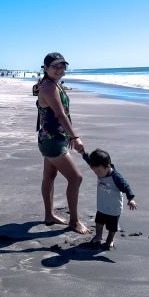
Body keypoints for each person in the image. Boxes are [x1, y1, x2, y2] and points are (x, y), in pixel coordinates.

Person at [36, 52, 89, 234]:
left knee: (49, 177)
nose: (60, 70)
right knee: (76, 178)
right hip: (52, 141)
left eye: (62, 66)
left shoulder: (52, 84)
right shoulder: (49, 87)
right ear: (46, 68)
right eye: (55, 66)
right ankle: (74, 222)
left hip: (51, 137)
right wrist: (75, 137)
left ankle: (49, 215)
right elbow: (60, 114)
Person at [82, 148, 137, 250]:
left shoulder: (116, 177)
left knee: (112, 226)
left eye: (98, 171)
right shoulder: (99, 167)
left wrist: (131, 199)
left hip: (113, 208)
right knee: (98, 222)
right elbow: (90, 162)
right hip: (102, 205)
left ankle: (110, 239)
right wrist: (83, 153)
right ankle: (98, 236)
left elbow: (126, 187)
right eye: (94, 171)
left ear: (107, 166)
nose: (97, 173)